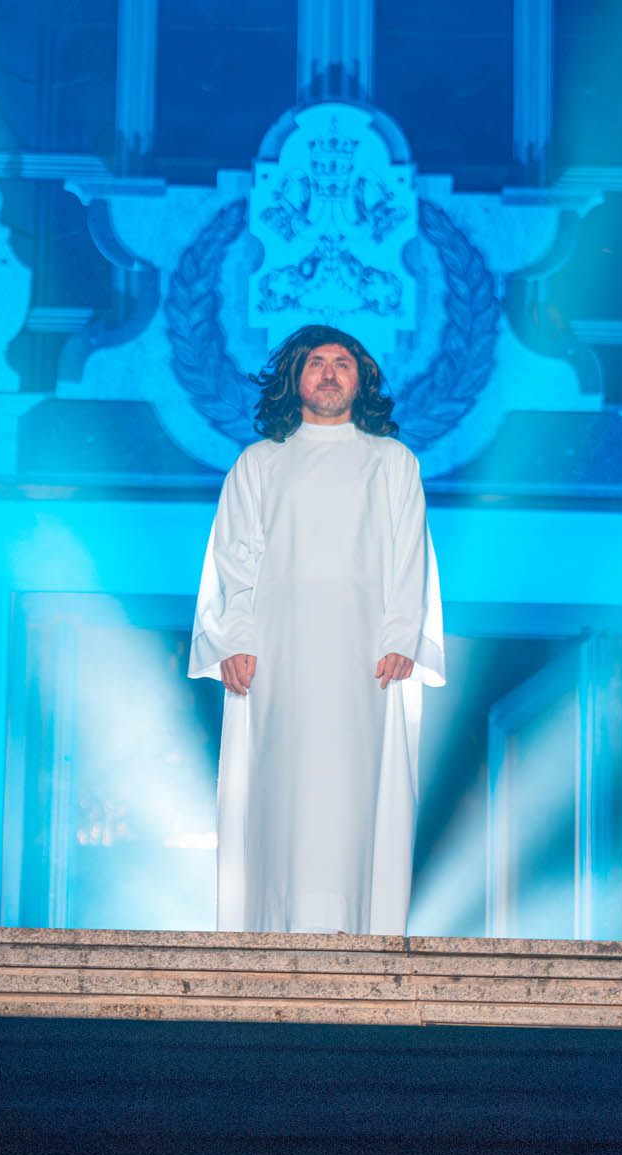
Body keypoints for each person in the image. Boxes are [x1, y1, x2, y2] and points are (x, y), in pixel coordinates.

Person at [189, 324, 445, 935]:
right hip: (279, 655)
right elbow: (235, 558)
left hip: (365, 656)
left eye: (342, 363)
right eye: (316, 363)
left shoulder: (393, 462)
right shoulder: (258, 463)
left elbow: (409, 554)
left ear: (362, 380)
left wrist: (401, 634)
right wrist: (236, 639)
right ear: (294, 378)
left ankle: (358, 929)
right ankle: (274, 928)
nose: (330, 374)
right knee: (282, 788)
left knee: (357, 788)